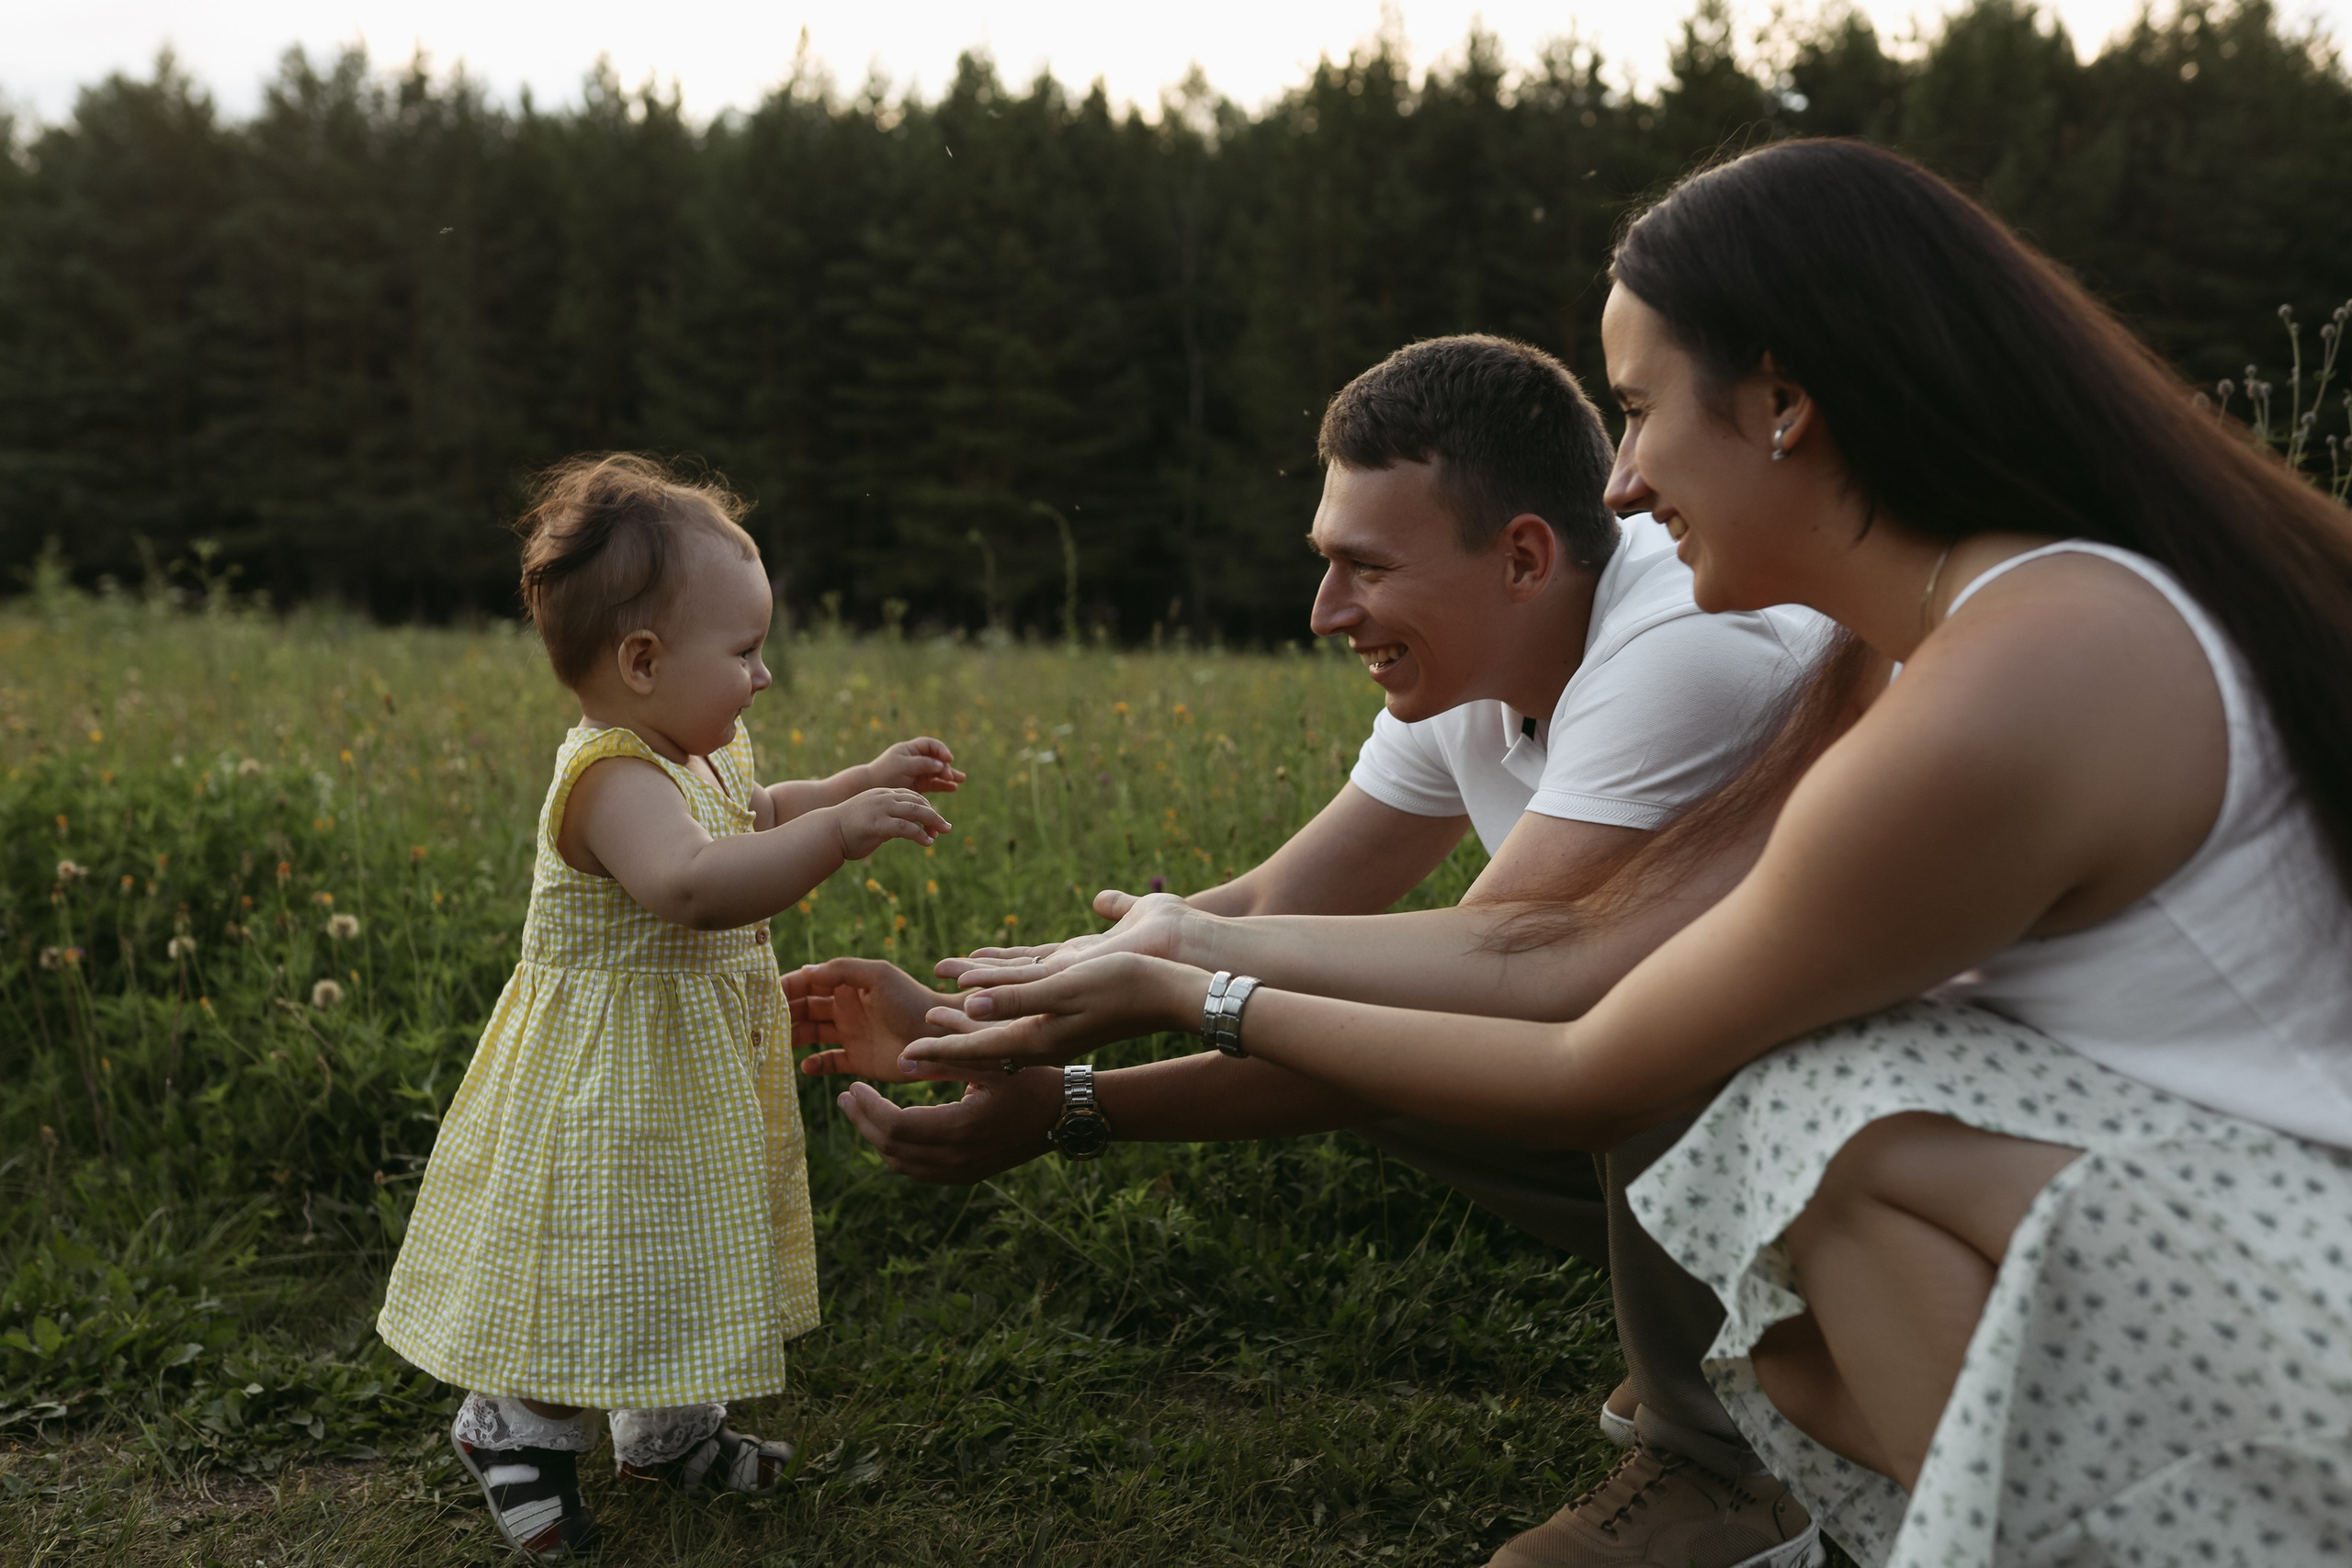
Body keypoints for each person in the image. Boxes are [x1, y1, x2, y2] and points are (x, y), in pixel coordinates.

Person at [904, 139, 2352, 1568]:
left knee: (1813, 1093)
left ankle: (1793, 1486)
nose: (1626, 478)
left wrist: (1177, 989)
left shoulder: (2018, 671)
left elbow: (1586, 1033)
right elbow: (1510, 945)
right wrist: (1082, 983)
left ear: (1784, 404)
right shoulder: (1934, 641)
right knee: (1800, 1139)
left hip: (2302, 1290)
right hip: (2240, 1227)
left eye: (1642, 410)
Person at [795, 334, 1832, 1568]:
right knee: (1347, 1005)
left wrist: (1083, 1088)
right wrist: (996, 1013)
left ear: (1522, 557)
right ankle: (1732, 1326)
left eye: (1363, 568)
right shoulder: (1484, 652)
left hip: (1917, 1114)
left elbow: (1495, 981)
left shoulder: (1684, 649)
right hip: (1777, 1094)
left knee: (1587, 1022)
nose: (1324, 612)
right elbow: (1286, 907)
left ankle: (1732, 1453)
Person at [376, 455, 961, 1562]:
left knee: (684, 1243)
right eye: (742, 653)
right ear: (641, 662)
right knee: (595, 1253)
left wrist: (847, 785)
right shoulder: (610, 778)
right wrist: (833, 842)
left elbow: (757, 811)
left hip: (684, 1070)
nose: (764, 677)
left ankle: (668, 1429)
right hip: (610, 1081)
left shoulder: (701, 748)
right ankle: (515, 1430)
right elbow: (692, 885)